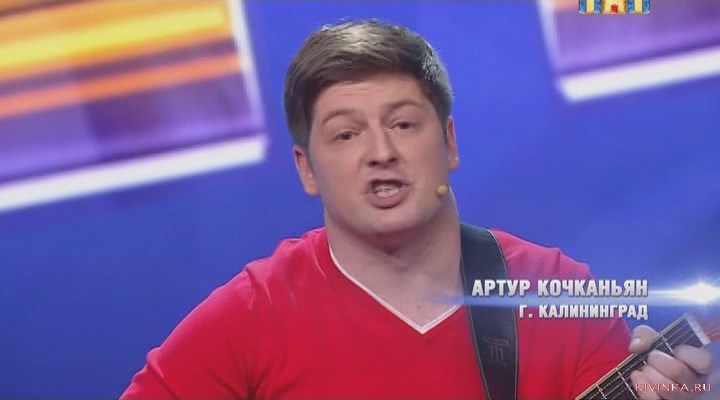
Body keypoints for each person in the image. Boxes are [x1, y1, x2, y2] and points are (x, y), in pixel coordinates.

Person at [121, 20, 712, 399]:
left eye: (403, 124)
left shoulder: (557, 295)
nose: (381, 152)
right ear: (307, 169)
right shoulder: (254, 317)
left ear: (449, 142)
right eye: (346, 134)